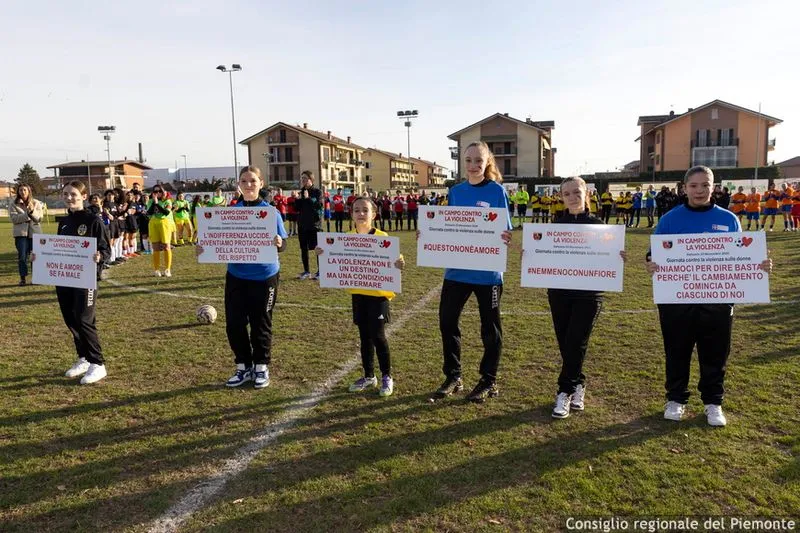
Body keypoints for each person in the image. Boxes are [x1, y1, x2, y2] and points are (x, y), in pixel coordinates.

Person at [645, 166, 772, 427]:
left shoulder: (729, 219)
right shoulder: (670, 218)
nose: (700, 190)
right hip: (676, 299)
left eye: (705, 185)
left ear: (714, 186)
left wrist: (760, 266)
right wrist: (651, 262)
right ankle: (676, 399)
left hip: (717, 299)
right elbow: (653, 252)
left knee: (715, 352)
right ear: (684, 188)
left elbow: (741, 257)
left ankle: (713, 402)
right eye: (694, 185)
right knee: (677, 350)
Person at [428, 141, 512, 403]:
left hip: (488, 274)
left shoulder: (497, 191)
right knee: (447, 322)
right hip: (456, 271)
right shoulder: (456, 191)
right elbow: (450, 226)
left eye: (478, 160)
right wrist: (428, 233)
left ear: (487, 162)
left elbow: (505, 229)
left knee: (490, 328)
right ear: (462, 163)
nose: (473, 165)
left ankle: (489, 380)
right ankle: (454, 376)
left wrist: (506, 236)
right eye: (468, 160)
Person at [197, 167, 287, 389]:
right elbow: (216, 241)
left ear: (261, 183)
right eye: (244, 181)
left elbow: (284, 243)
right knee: (234, 324)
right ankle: (243, 366)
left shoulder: (271, 212)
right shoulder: (229, 213)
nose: (248, 185)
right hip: (237, 275)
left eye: (253, 181)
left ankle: (261, 367)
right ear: (238, 184)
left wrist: (278, 242)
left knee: (260, 324)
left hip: (265, 277)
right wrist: (203, 247)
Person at [546, 177, 627, 418]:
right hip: (559, 292)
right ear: (561, 197)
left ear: (586, 195)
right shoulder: (556, 225)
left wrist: (617, 256)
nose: (572, 197)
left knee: (576, 341)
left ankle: (565, 391)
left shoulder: (598, 225)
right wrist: (531, 254)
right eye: (567, 193)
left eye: (576, 192)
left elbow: (607, 255)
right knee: (565, 342)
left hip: (588, 294)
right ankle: (579, 383)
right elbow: (546, 255)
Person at [316, 196, 405, 397]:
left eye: (365, 210)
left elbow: (394, 259)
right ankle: (369, 375)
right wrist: (323, 254)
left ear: (374, 214)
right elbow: (335, 260)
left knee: (379, 337)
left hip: (379, 296)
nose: (361, 214)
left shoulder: (383, 236)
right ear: (351, 214)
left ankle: (386, 376)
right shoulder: (345, 238)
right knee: (364, 337)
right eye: (357, 210)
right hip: (358, 294)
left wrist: (400, 262)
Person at [38, 181, 111, 384]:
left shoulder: (93, 220)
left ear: (84, 196)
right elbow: (58, 249)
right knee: (70, 319)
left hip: (86, 278)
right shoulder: (64, 222)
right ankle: (84, 358)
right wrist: (40, 258)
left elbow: (106, 250)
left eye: (74, 194)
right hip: (64, 278)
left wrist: (99, 256)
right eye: (66, 194)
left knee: (84, 319)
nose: (69, 197)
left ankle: (98, 363)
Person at [9, 184, 44, 286]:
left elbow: (39, 219)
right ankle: (23, 278)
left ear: (29, 191)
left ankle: (36, 278)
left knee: (35, 257)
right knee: (22, 257)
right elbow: (14, 219)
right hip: (21, 235)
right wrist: (27, 215)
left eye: (25, 190)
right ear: (18, 192)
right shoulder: (13, 204)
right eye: (20, 190)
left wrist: (32, 211)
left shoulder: (36, 203)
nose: (22, 192)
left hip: (35, 234)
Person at [295, 171, 323, 280]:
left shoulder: (317, 192)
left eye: (305, 178)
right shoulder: (301, 192)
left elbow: (319, 206)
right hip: (302, 225)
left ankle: (320, 271)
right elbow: (297, 209)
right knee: (303, 248)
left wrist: (308, 198)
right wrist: (297, 200)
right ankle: (306, 271)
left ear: (311, 180)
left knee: (317, 248)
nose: (303, 180)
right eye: (302, 178)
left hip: (314, 225)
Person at [146, 185, 174, 277]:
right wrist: (154, 202)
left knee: (166, 246)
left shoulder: (167, 201)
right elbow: (149, 213)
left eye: (159, 191)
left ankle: (167, 269)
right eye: (155, 191)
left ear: (162, 192)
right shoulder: (150, 201)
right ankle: (156, 269)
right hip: (153, 223)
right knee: (156, 247)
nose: (157, 193)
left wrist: (157, 203)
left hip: (164, 223)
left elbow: (166, 212)